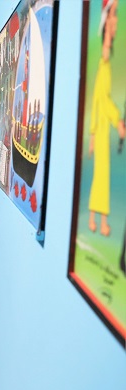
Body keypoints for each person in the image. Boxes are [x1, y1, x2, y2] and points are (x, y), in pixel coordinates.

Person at [88, 0, 125, 237]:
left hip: (100, 127)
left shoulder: (105, 60)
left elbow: (98, 99)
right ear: (106, 19)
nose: (117, 21)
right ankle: (99, 221)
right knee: (101, 175)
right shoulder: (103, 60)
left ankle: (96, 220)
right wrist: (118, 120)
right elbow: (102, 98)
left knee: (101, 175)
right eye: (115, 15)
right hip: (102, 126)